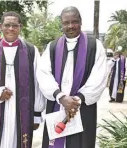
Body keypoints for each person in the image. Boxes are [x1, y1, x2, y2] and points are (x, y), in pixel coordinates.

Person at [36, 6, 107, 148]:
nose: (70, 26)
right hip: (57, 104)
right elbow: (43, 74)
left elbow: (99, 77)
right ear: (61, 24)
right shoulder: (53, 47)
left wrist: (76, 101)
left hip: (82, 107)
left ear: (81, 22)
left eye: (74, 22)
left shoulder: (95, 46)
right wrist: (61, 97)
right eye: (66, 23)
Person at [0, 11, 45, 148]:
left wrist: (36, 114)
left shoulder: (31, 51)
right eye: (7, 25)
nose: (11, 29)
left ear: (20, 27)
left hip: (22, 112)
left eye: (14, 25)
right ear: (1, 26)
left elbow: (37, 83)